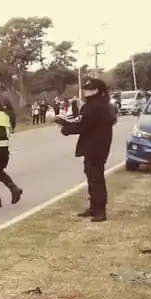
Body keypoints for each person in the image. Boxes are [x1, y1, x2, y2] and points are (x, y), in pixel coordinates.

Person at [55, 78, 116, 222]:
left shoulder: (94, 106)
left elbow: (82, 124)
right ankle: (94, 206)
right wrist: (64, 123)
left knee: (95, 178)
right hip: (97, 145)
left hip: (95, 146)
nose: (86, 91)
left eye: (89, 89)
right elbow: (81, 121)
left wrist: (64, 128)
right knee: (92, 175)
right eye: (86, 88)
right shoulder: (100, 104)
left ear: (97, 90)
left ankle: (100, 210)